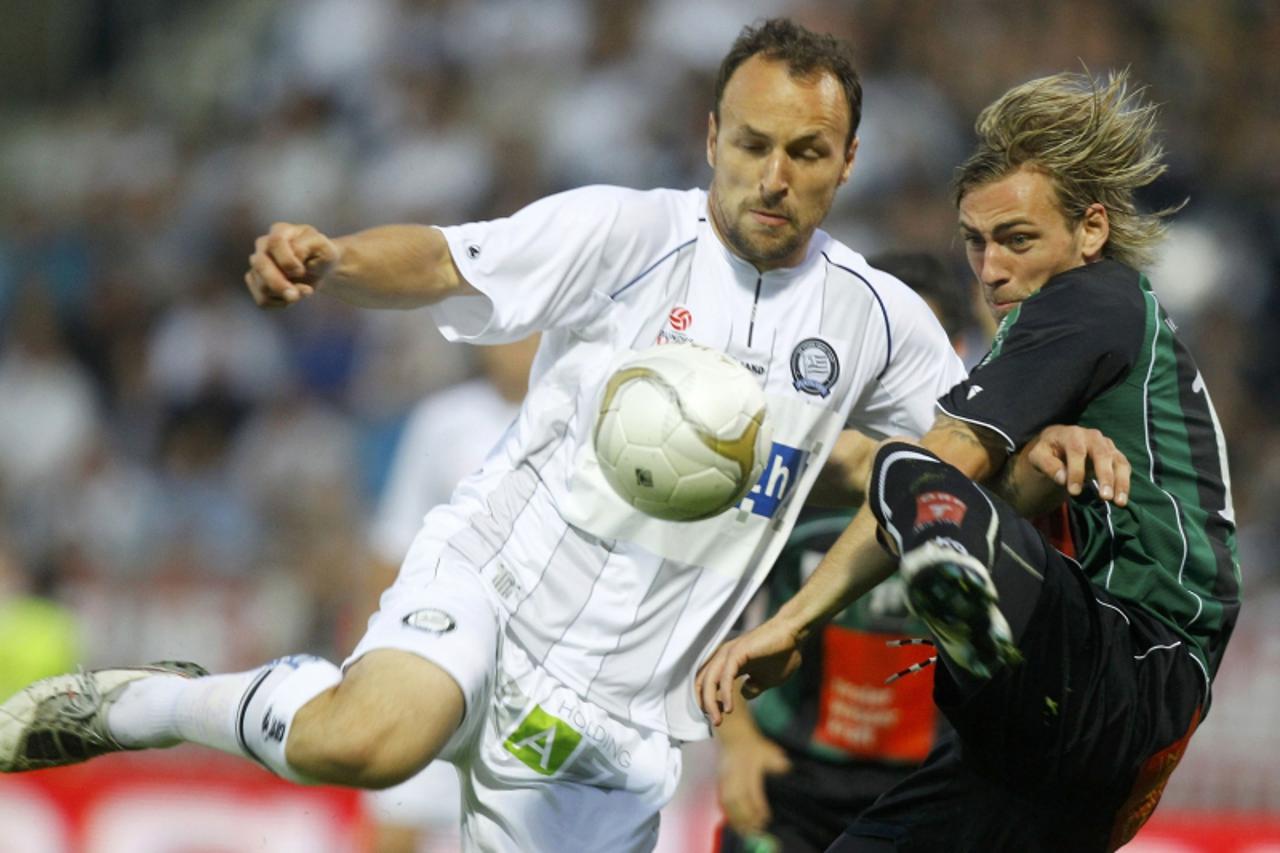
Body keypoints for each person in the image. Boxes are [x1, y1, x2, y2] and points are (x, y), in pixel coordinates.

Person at [0, 20, 1110, 852]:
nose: (773, 177)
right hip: (498, 575)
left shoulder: (875, 318)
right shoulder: (621, 232)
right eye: (753, 143)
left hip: (623, 701)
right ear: (709, 135)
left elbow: (959, 465)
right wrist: (332, 258)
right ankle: (146, 700)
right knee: (368, 741)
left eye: (807, 153)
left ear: (847, 160)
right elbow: (442, 259)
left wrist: (1042, 457)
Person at [698, 70, 1240, 853]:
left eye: (1017, 239)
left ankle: (975, 633)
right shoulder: (1077, 358)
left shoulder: (1092, 297)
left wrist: (788, 624)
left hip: (1132, 658)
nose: (990, 270)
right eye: (976, 242)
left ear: (1090, 231)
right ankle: (978, 644)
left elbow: (927, 465)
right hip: (1055, 760)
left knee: (910, 470)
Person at [713, 252, 972, 853]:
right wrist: (739, 745)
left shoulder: (982, 489)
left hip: (930, 791)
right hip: (791, 783)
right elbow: (701, 607)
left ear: (954, 354)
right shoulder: (791, 466)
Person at [362, 336, 538, 853]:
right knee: (395, 818)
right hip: (439, 660)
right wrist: (368, 654)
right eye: (509, 333)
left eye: (532, 332)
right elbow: (393, 542)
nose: (518, 347)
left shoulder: (580, 415)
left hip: (532, 679)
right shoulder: (441, 422)